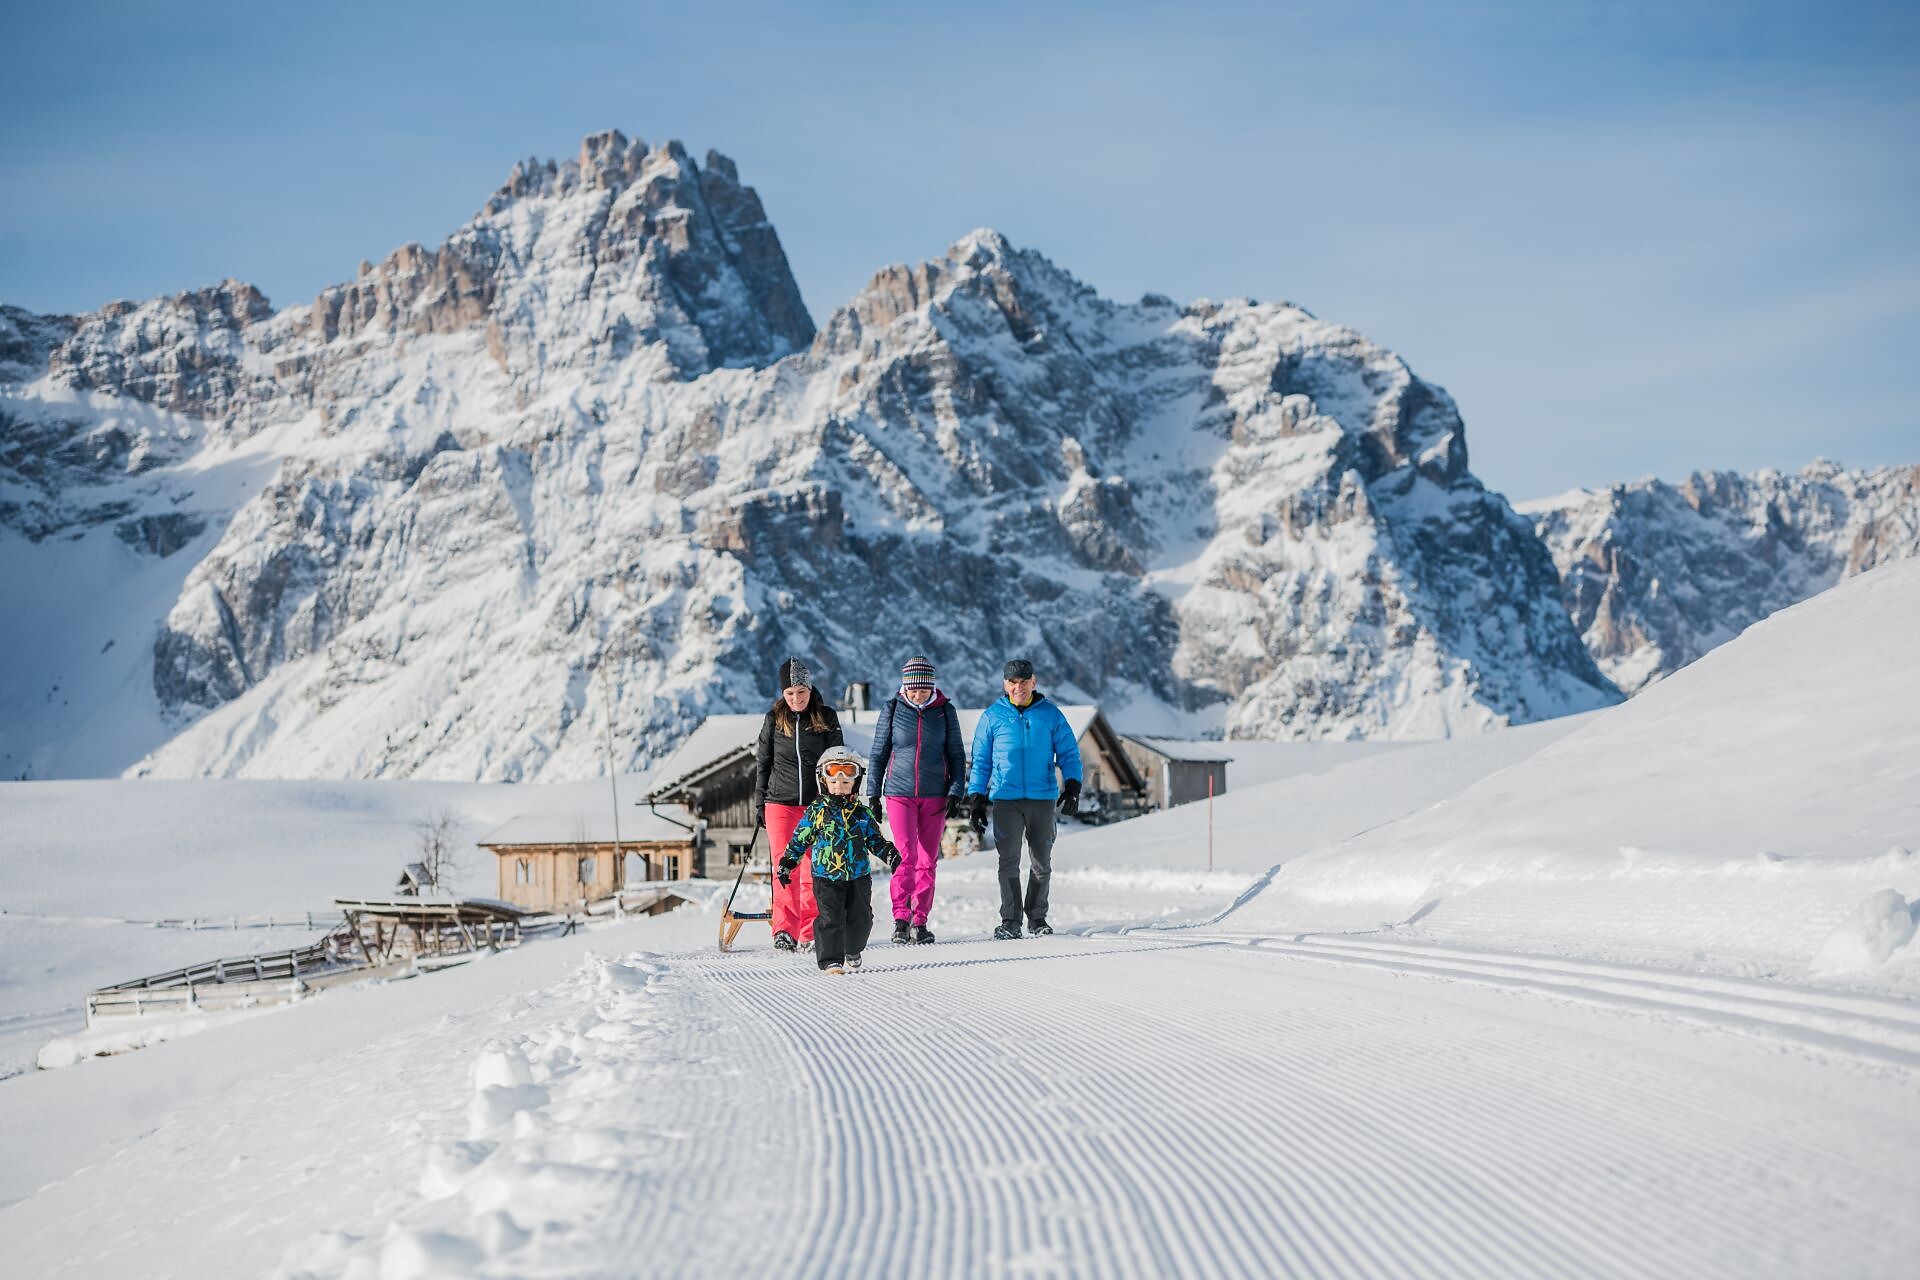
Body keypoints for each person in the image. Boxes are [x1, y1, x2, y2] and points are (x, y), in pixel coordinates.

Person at [965, 659, 1084, 939]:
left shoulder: (1050, 715)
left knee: (1041, 861)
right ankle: (1010, 921)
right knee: (1008, 860)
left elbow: (1069, 753)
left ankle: (1037, 917)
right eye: (1012, 682)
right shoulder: (992, 716)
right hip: (1006, 799)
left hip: (1042, 798)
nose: (1018, 687)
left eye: (1023, 681)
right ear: (1005, 685)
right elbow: (981, 761)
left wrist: (1073, 786)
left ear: (1034, 682)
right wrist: (976, 798)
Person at [865, 655, 967, 945]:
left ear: (931, 687)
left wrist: (956, 791)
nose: (918, 695)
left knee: (927, 860)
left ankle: (920, 921)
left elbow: (957, 755)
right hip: (899, 793)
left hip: (935, 794)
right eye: (913, 690)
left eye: (923, 690)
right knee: (905, 856)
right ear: (905, 687)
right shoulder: (893, 709)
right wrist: (873, 793)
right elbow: (878, 754)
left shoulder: (945, 711)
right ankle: (901, 918)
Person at [778, 746, 899, 974]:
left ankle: (852, 949)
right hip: (825, 876)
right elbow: (800, 839)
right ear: (824, 782)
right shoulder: (817, 811)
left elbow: (875, 840)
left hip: (858, 875)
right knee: (829, 918)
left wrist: (889, 854)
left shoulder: (862, 813)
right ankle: (831, 960)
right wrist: (787, 862)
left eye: (845, 782)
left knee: (862, 919)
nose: (839, 787)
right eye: (834, 782)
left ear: (856, 782)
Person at [753, 657, 844, 952]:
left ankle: (809, 932)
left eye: (801, 692)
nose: (796, 698)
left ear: (810, 688)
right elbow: (763, 763)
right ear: (783, 693)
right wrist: (759, 802)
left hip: (817, 805)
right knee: (784, 868)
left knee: (813, 868)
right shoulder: (773, 719)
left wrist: (838, 800)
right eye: (790, 693)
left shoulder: (826, 717)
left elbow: (837, 762)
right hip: (779, 804)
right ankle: (784, 931)